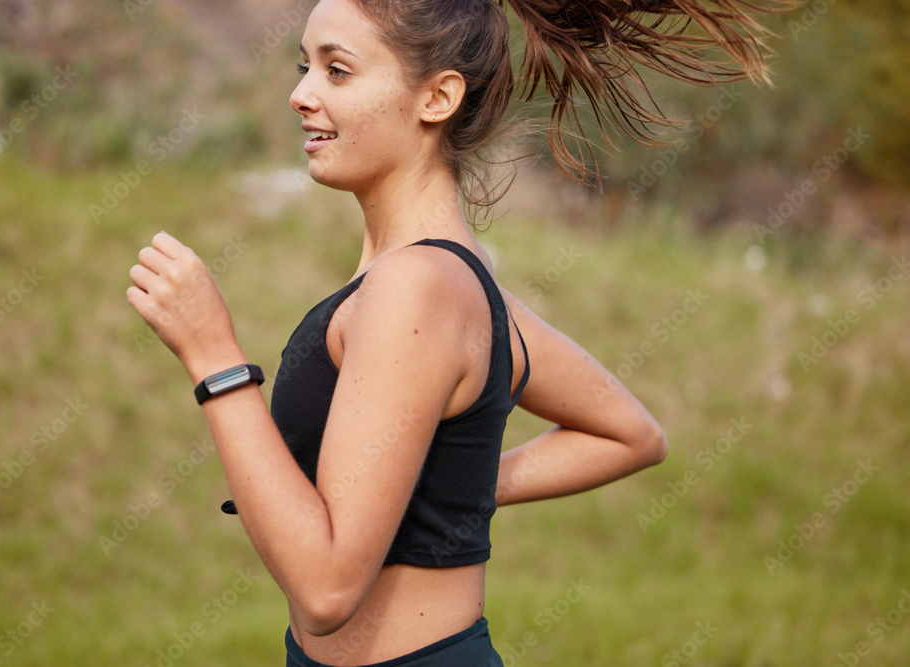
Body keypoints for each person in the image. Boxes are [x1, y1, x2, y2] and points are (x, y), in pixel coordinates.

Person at [127, 1, 786, 664]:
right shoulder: (454, 285)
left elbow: (327, 590)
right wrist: (456, 479)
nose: (300, 94)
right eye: (305, 67)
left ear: (438, 96)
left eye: (338, 71)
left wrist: (214, 356)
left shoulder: (418, 289)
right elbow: (627, 431)